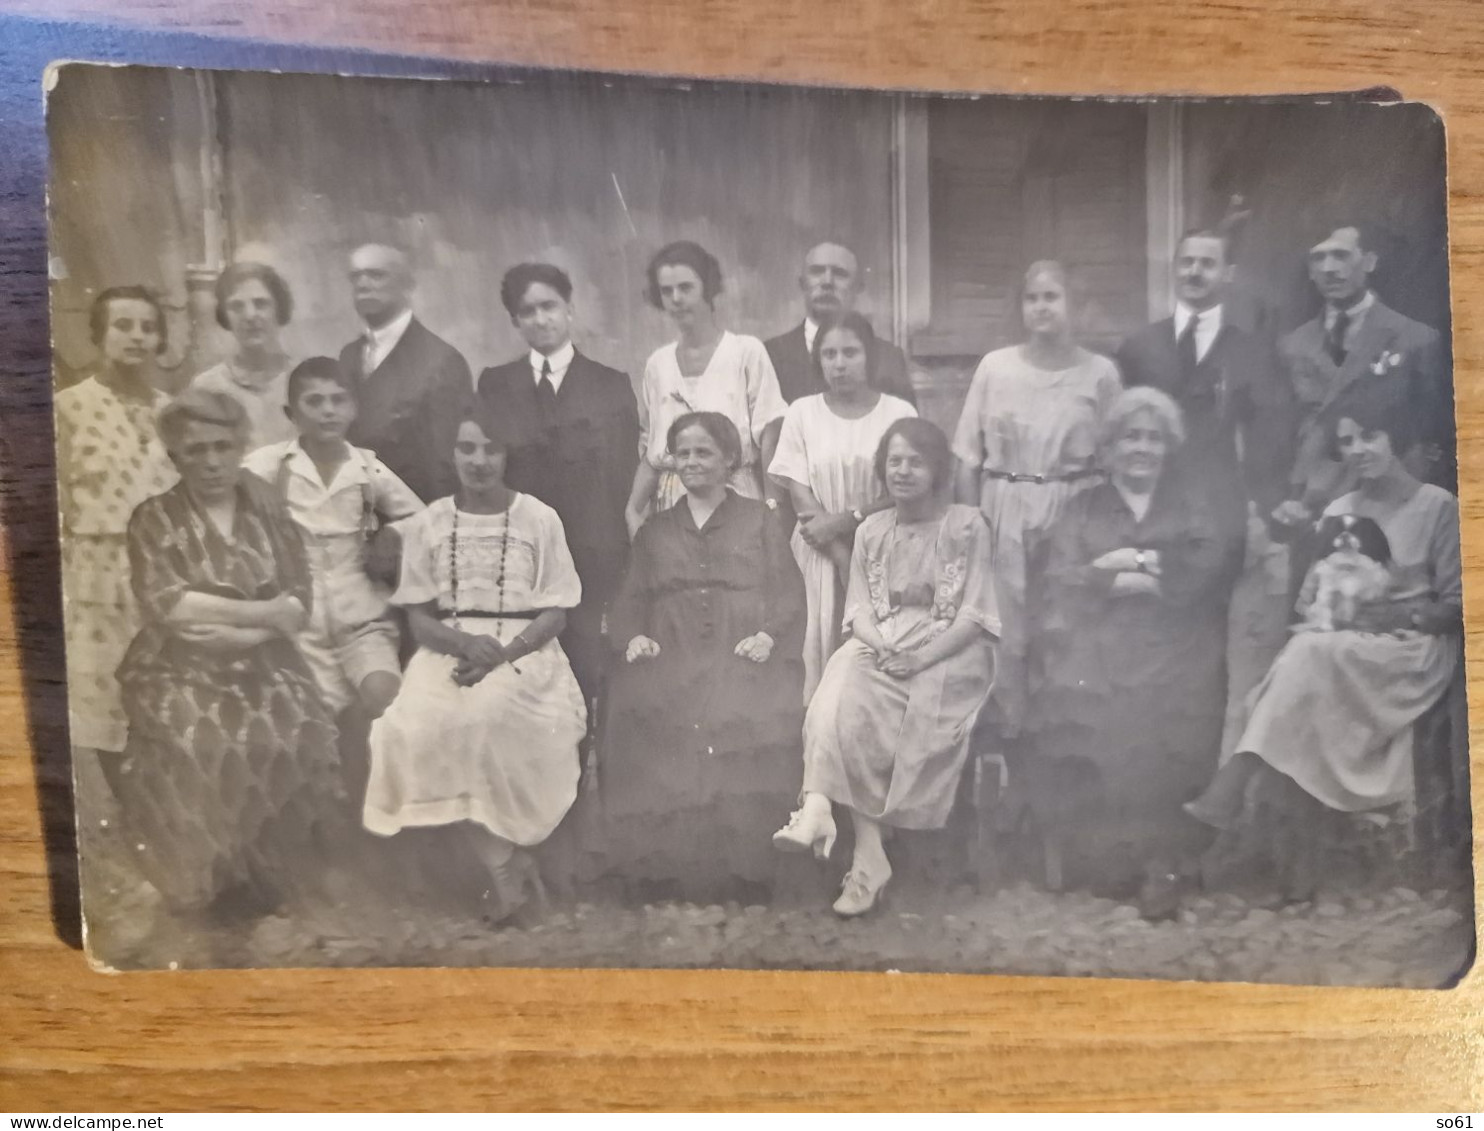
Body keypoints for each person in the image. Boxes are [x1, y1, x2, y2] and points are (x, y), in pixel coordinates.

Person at [1185, 376, 1463, 902]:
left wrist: (1392, 613)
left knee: (1303, 657)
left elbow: (1455, 605)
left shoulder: (1437, 508)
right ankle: (1295, 866)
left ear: (1396, 438)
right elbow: (1312, 599)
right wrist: (1331, 610)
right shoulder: (1340, 513)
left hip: (1411, 650)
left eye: (1370, 437)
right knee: (1308, 656)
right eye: (1347, 443)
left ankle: (1238, 779)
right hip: (1341, 648)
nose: (1359, 451)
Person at [112, 389, 340, 928]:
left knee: (300, 728)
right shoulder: (154, 518)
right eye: (196, 451)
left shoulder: (269, 515)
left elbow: (298, 604)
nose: (211, 461)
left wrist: (243, 628)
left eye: (222, 447)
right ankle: (204, 876)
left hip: (265, 662)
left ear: (239, 448)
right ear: (175, 457)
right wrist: (264, 614)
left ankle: (266, 871)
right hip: (175, 666)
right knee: (199, 734)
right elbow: (168, 604)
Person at [363, 406, 586, 922]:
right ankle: (506, 861)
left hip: (524, 649)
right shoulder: (431, 522)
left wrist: (504, 654)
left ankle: (508, 868)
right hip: (450, 644)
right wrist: (466, 645)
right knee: (411, 727)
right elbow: (419, 619)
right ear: (452, 453)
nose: (480, 460)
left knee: (486, 719)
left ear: (509, 455)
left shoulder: (539, 517)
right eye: (468, 448)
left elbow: (556, 612)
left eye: (492, 448)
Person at [774, 419, 999, 917]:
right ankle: (826, 815)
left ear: (937, 469)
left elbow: (975, 616)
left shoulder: (967, 525)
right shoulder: (873, 528)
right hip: (883, 642)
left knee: (869, 700)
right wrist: (880, 646)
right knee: (840, 683)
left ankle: (851, 841)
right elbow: (858, 612)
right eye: (894, 461)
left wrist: (920, 656)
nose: (903, 471)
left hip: (949, 651)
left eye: (915, 462)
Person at [1023, 388, 1229, 914]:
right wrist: (1113, 579)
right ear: (1111, 446)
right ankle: (1115, 857)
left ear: (1168, 446)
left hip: (1175, 640)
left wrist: (1133, 560)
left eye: (1153, 438)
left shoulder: (1189, 500)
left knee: (1172, 711)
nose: (1142, 448)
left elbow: (1208, 562)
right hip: (1098, 641)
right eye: (1131, 436)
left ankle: (1162, 862)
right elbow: (1059, 577)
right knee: (1105, 709)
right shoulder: (1083, 506)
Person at [602, 412, 805, 903]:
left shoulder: (760, 520)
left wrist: (767, 637)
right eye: (683, 453)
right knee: (638, 707)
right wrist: (632, 638)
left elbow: (788, 594)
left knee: (741, 714)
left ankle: (743, 871)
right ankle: (659, 869)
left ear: (730, 460)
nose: (692, 462)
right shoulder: (655, 529)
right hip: (672, 647)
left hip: (740, 647)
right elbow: (631, 599)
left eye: (704, 452)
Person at [951, 260, 1121, 732]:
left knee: (1065, 628)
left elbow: (1116, 459)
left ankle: (1061, 747)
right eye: (1032, 298)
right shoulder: (995, 368)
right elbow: (967, 455)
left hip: (1074, 507)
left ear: (1074, 305)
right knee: (1005, 635)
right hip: (1002, 505)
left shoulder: (1100, 374)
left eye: (1052, 297)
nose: (1041, 308)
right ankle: (1008, 743)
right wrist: (973, 526)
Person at [475, 262, 640, 705]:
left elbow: (624, 476)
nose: (541, 318)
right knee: (522, 663)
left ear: (570, 310)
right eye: (527, 311)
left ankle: (585, 767)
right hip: (521, 548)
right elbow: (490, 467)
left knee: (586, 665)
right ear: (515, 321)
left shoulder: (611, 384)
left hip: (591, 550)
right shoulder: (496, 384)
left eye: (549, 306)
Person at [243, 357, 423, 721]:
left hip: (363, 618)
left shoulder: (367, 468)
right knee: (313, 716)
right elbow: (230, 471)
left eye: (338, 400)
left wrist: (392, 532)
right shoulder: (274, 463)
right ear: (291, 412)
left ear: (353, 408)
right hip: (299, 622)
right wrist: (248, 483)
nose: (328, 411)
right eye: (314, 401)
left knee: (384, 697)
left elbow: (426, 520)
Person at [55, 287, 179, 783]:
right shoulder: (68, 408)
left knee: (163, 696)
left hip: (163, 572)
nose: (138, 337)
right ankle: (130, 813)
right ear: (99, 334)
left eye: (148, 328)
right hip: (96, 575)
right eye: (124, 326)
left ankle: (163, 811)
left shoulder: (171, 412)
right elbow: (57, 501)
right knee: (107, 697)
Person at [767, 311, 916, 700]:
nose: (839, 363)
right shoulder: (801, 412)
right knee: (814, 666)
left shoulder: (898, 413)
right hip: (817, 552)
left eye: (850, 352)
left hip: (883, 552)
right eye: (829, 354)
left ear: (870, 356)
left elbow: (905, 489)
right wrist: (838, 554)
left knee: (874, 668)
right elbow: (798, 488)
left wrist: (849, 523)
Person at [1274, 221, 1449, 534]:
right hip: (1308, 509)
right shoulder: (1292, 346)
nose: (1329, 268)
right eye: (1319, 258)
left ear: (1369, 261)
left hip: (1388, 510)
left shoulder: (1414, 340)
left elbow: (1431, 437)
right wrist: (1285, 497)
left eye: (1341, 255)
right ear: (1310, 270)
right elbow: (1277, 432)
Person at [625, 241, 788, 536]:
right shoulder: (658, 365)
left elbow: (771, 437)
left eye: (686, 287)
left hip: (736, 500)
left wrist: (772, 508)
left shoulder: (745, 352)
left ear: (708, 288)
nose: (676, 299)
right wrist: (633, 510)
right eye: (666, 291)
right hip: (673, 506)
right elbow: (652, 451)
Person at [338, 243, 472, 503]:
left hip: (415, 516)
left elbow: (444, 468)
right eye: (356, 277)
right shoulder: (349, 356)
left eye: (376, 275)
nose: (363, 284)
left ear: (407, 285)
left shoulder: (442, 361)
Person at [764, 241, 918, 406]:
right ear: (803, 284)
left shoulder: (888, 358)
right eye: (817, 272)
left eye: (840, 273)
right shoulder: (769, 355)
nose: (827, 282)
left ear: (858, 287)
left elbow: (907, 429)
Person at [189, 261, 298, 450]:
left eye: (261, 304)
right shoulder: (207, 388)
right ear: (225, 316)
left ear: (279, 309)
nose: (249, 315)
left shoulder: (303, 380)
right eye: (236, 306)